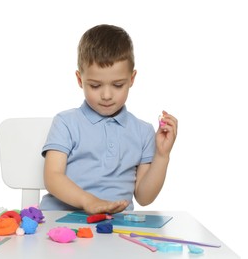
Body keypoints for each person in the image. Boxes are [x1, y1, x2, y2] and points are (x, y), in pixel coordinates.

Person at [39, 24, 178, 215]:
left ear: (132, 79)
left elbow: (144, 197)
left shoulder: (143, 131)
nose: (106, 95)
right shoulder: (66, 122)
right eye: (95, 85)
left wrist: (162, 156)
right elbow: (53, 177)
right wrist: (89, 202)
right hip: (61, 219)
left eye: (118, 85)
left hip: (114, 226)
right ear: (80, 80)